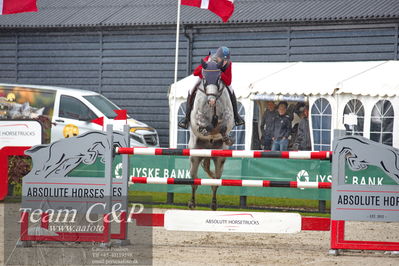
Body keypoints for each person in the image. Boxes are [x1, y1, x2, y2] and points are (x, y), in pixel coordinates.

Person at [178, 46, 245, 129]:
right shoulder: (208, 59)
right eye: (222, 59)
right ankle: (186, 118)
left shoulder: (228, 64)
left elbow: (228, 81)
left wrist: (219, 72)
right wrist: (206, 68)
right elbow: (195, 72)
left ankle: (236, 116)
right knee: (191, 90)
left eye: (226, 60)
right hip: (205, 79)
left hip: (219, 80)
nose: (224, 62)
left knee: (231, 91)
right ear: (217, 57)